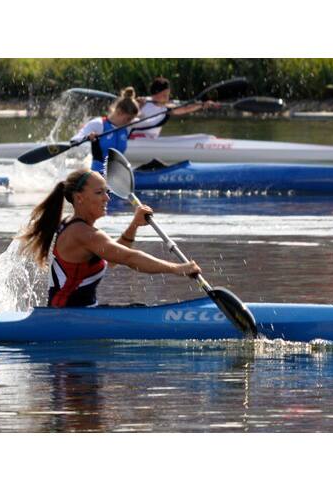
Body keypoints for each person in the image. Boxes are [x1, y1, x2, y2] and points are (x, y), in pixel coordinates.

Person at [19, 169, 201, 308]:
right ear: (79, 198)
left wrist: (134, 225)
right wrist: (177, 268)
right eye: (99, 193)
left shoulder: (74, 226)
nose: (107, 198)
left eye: (107, 192)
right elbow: (129, 258)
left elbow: (113, 260)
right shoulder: (82, 233)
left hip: (79, 313)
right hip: (68, 318)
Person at [70, 86, 139, 175]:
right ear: (119, 112)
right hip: (96, 174)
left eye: (132, 119)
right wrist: (87, 137)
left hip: (115, 174)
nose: (130, 122)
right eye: (128, 119)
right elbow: (74, 140)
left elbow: (154, 121)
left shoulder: (127, 128)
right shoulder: (98, 124)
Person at [130, 76, 218, 140]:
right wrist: (137, 106)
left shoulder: (166, 108)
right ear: (156, 93)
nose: (167, 98)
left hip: (151, 139)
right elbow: (127, 116)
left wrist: (202, 105)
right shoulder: (143, 102)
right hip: (134, 138)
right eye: (164, 95)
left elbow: (185, 109)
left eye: (168, 95)